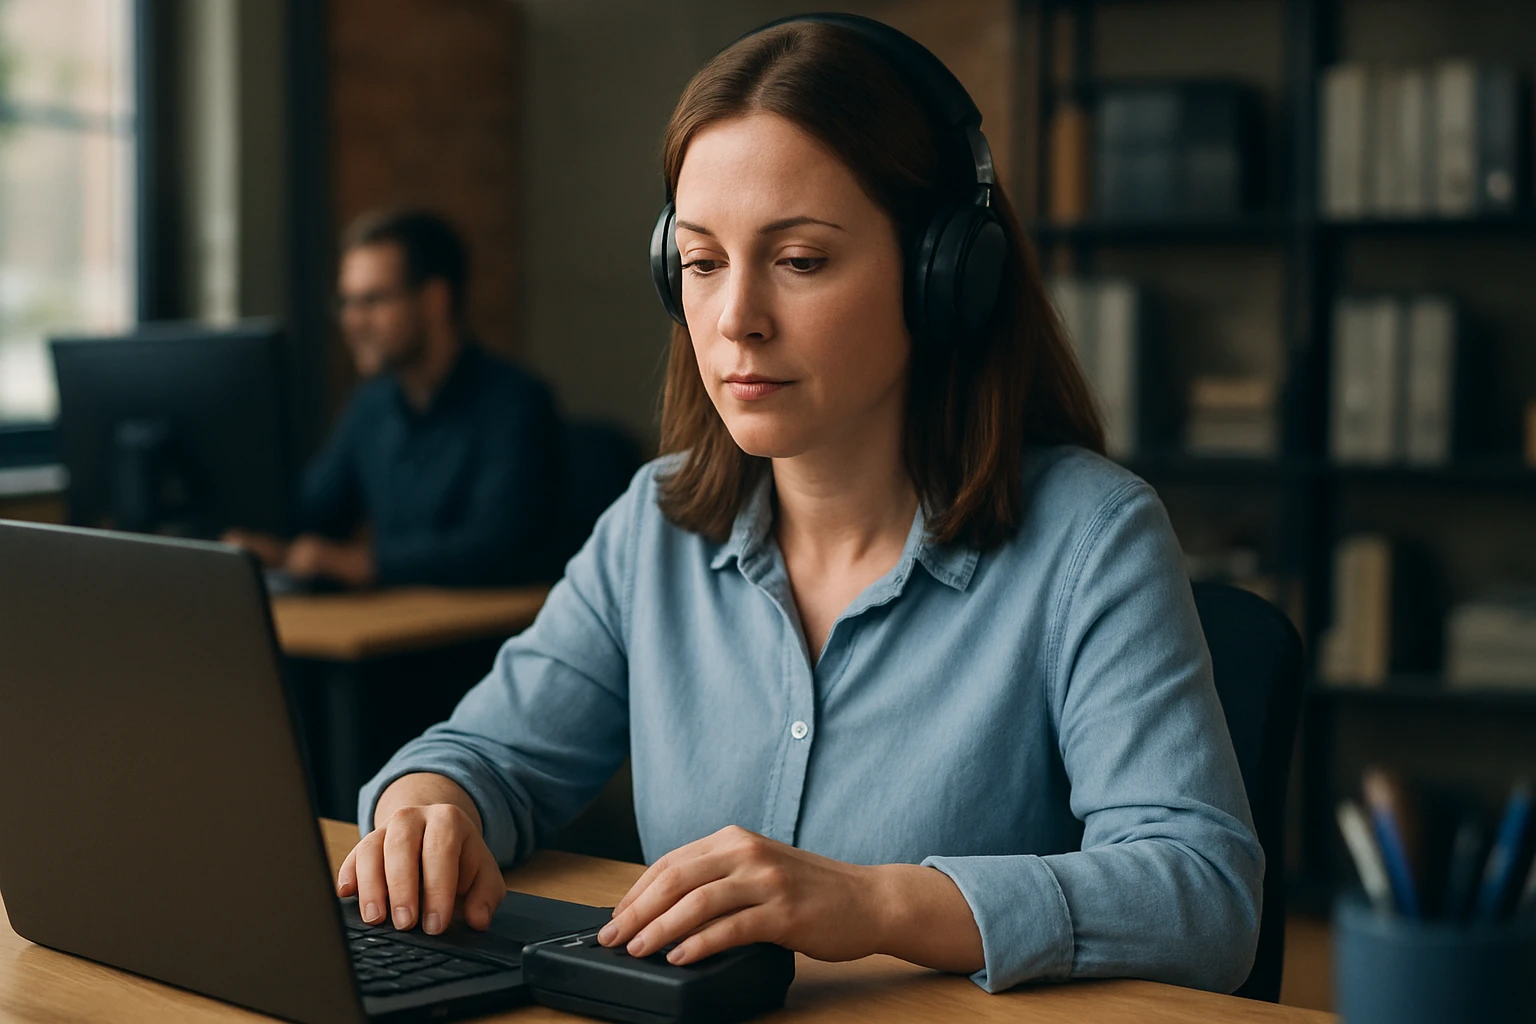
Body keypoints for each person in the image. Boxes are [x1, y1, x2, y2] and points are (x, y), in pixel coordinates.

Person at [337, 15, 1262, 995]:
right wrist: (428, 803)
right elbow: (485, 752)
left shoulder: (1091, 537)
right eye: (701, 261)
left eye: (801, 259)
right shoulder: (652, 527)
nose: (736, 318)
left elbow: (1205, 898)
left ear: (942, 274)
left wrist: (879, 903)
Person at [225, 209, 560, 588]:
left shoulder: (515, 403)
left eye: (372, 301)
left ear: (434, 301)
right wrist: (265, 542)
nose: (352, 322)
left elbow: (496, 549)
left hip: (472, 637)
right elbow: (315, 513)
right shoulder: (370, 405)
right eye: (346, 303)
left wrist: (364, 563)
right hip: (392, 624)